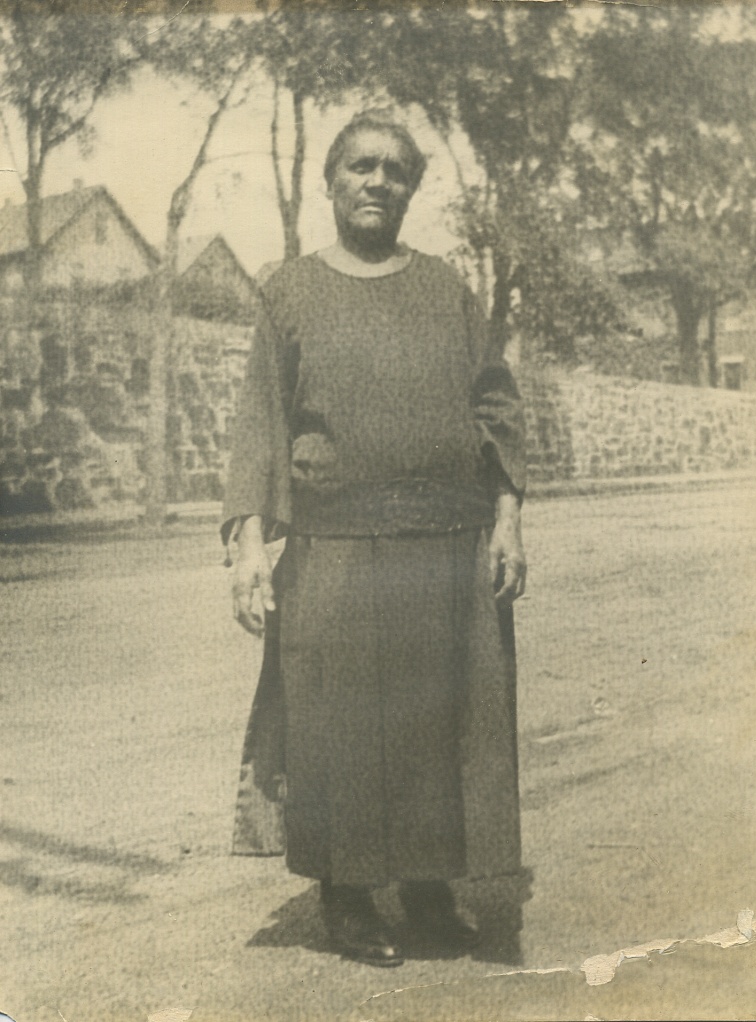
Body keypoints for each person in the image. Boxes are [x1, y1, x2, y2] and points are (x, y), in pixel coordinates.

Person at [222, 111, 527, 968]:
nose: (377, 181)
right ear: (330, 180)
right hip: (336, 545)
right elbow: (261, 423)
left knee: (435, 720)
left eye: (396, 170)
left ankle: (429, 891)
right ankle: (348, 895)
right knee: (340, 723)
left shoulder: (448, 290)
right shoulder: (289, 291)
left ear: (411, 189)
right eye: (361, 165)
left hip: (448, 543)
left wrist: (508, 518)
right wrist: (248, 548)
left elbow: (496, 409)